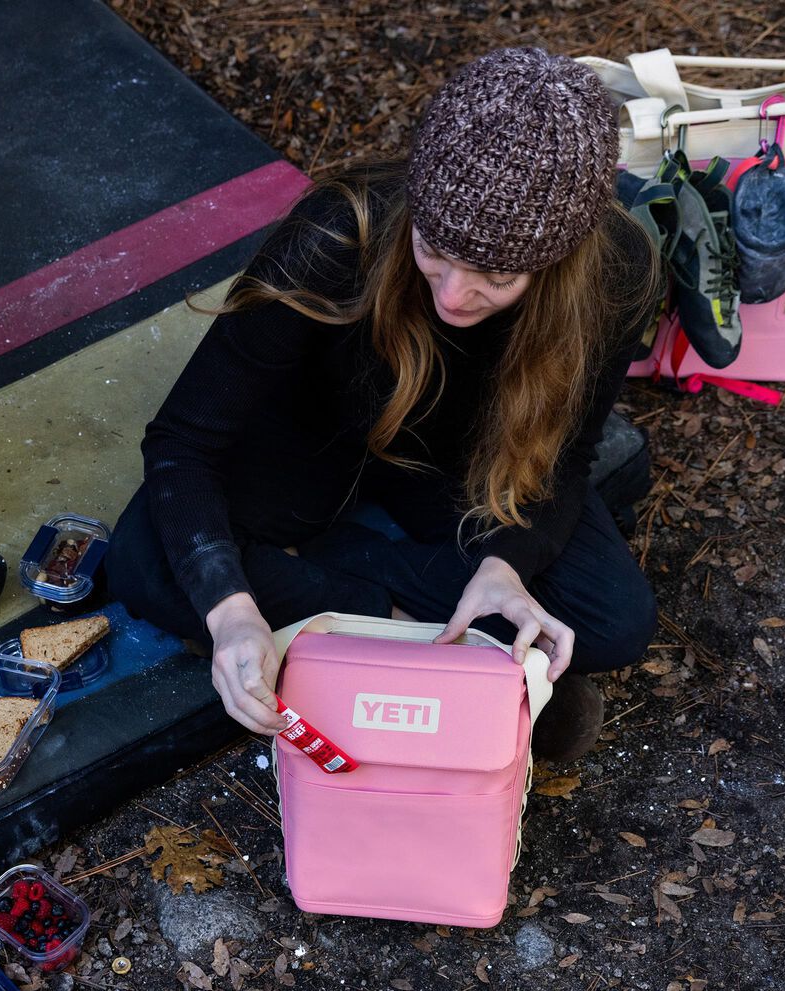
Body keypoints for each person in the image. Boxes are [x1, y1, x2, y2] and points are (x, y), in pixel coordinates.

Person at [106, 48, 662, 762]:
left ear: (555, 259)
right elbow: (184, 440)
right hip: (310, 435)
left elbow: (567, 457)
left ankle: (335, 577)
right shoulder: (339, 234)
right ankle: (435, 643)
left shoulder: (617, 271)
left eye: (494, 275)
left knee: (613, 619)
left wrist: (505, 568)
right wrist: (233, 612)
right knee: (147, 559)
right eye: (435, 249)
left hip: (454, 460)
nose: (454, 295)